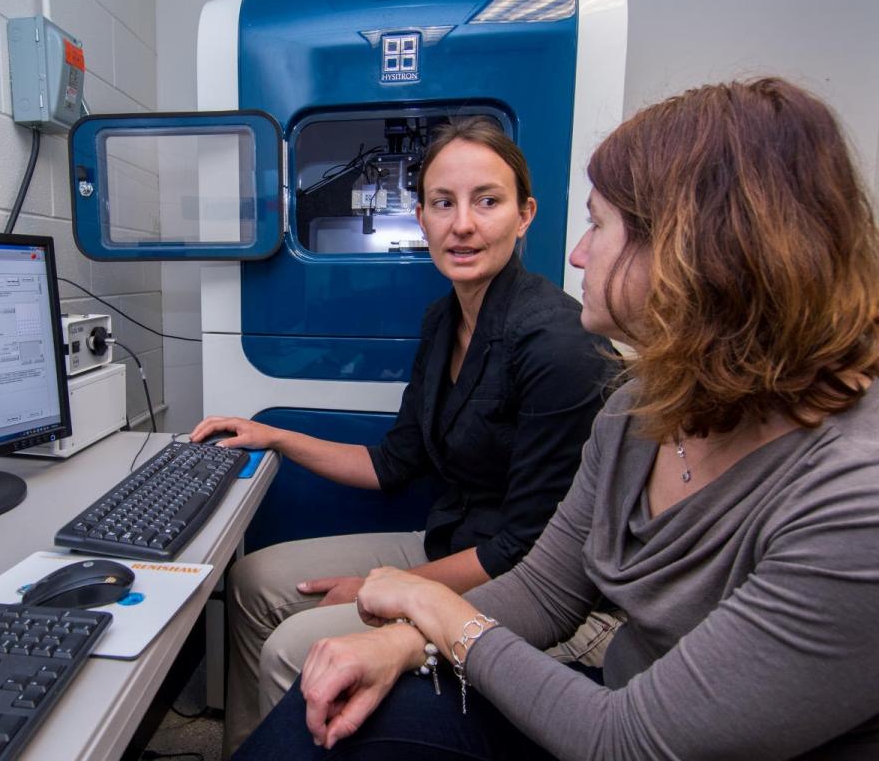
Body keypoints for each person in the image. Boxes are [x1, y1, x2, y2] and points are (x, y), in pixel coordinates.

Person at [237, 77, 879, 760]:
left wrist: (424, 607)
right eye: (441, 203)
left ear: (699, 251)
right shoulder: (641, 405)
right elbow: (545, 588)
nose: (578, 254)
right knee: (315, 720)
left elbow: (625, 740)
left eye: (600, 223)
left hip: (623, 731)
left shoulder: (853, 500)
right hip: (608, 684)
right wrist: (399, 638)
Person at [191, 118, 619, 753]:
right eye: (443, 203)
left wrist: (383, 590)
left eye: (488, 201)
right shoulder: (444, 319)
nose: (463, 224)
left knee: (293, 647)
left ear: (525, 215)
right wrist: (273, 436)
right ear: (420, 217)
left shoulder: (557, 345)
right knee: (253, 579)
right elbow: (395, 462)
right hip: (451, 542)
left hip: (514, 579)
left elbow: (528, 552)